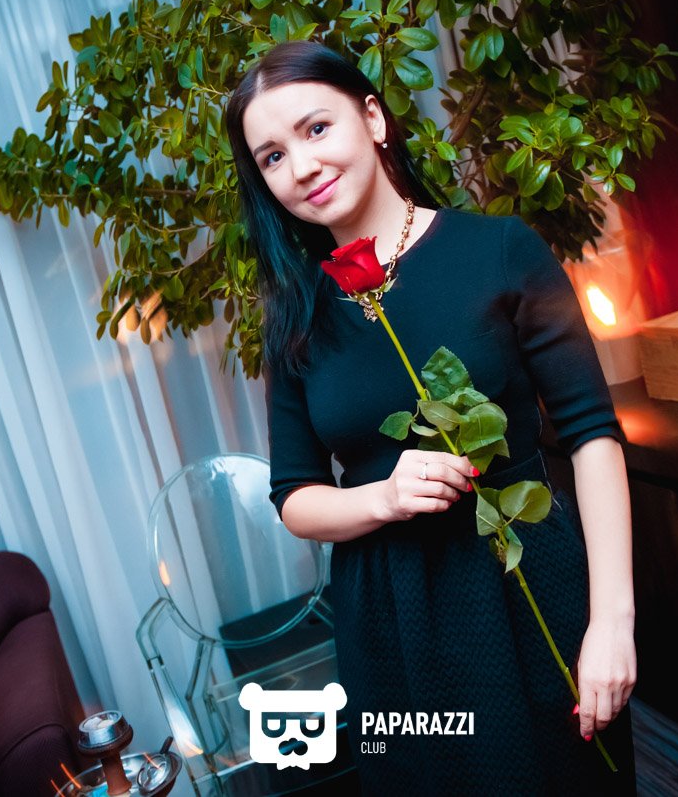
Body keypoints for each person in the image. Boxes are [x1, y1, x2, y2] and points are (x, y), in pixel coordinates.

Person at [226, 40, 637, 796]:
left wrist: (612, 621)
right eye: (273, 157)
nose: (302, 166)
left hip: (525, 580)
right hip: (391, 620)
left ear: (373, 118)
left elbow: (591, 436)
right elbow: (295, 498)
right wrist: (382, 497)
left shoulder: (501, 250)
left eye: (316, 128)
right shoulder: (294, 315)